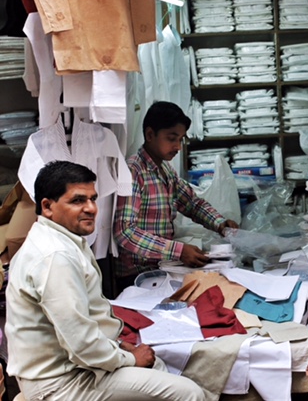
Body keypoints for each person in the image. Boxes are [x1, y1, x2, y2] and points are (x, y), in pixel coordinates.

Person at [5, 161, 205, 400]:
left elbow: (84, 325)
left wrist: (118, 347)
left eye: (92, 198)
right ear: (47, 206)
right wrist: (129, 358)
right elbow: (82, 344)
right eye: (78, 200)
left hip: (74, 368)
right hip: (62, 383)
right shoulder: (55, 257)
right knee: (189, 394)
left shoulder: (61, 241)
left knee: (158, 365)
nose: (91, 208)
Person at [113, 101, 238, 293]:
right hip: (136, 277)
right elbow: (125, 232)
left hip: (162, 269)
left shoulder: (165, 170)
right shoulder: (134, 172)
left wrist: (220, 223)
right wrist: (178, 251)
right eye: (172, 138)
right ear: (149, 134)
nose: (178, 147)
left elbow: (192, 204)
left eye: (180, 139)